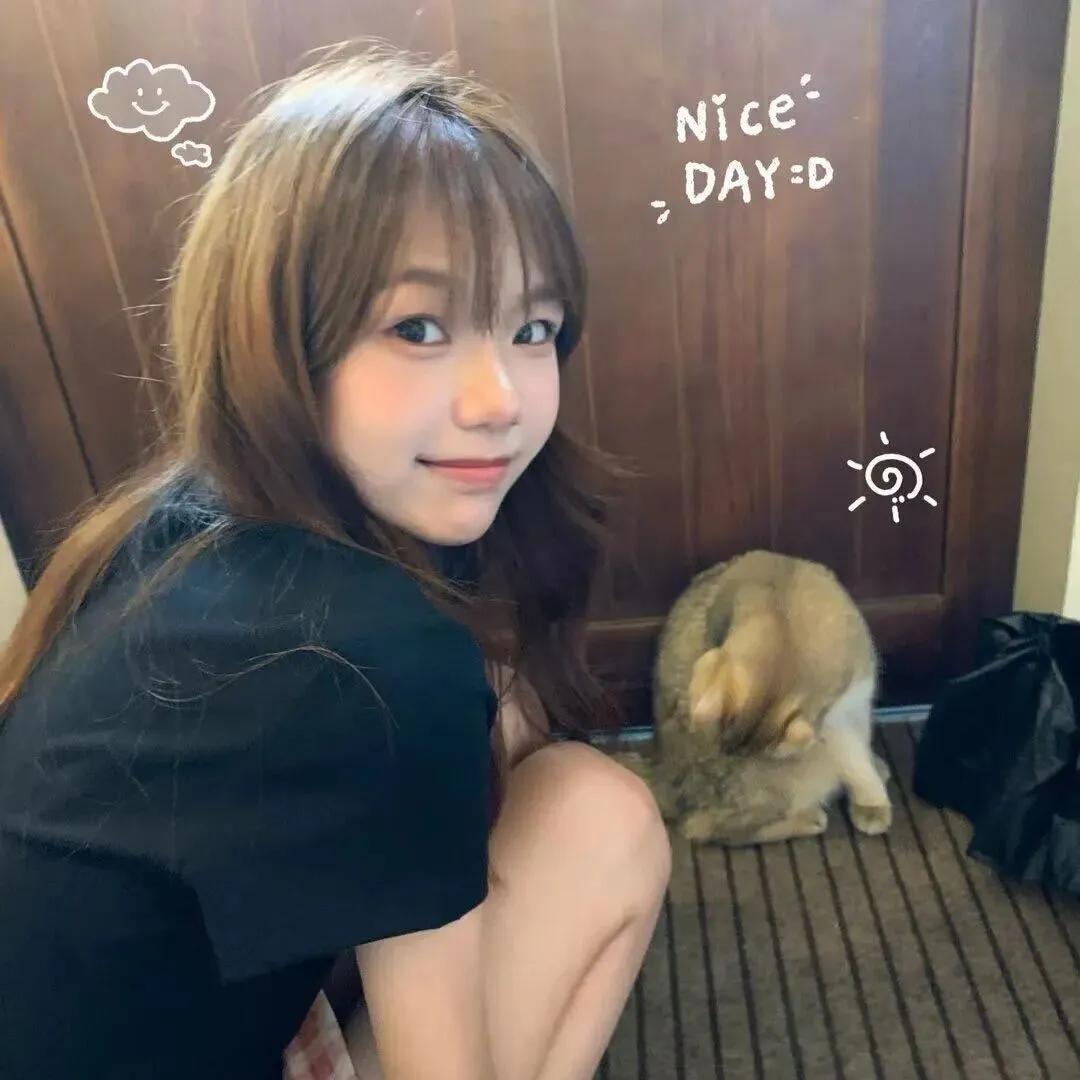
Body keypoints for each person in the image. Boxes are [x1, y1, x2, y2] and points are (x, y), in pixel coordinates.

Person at [0, 43, 672, 1080]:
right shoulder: (365, 654)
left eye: (533, 327)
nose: (500, 399)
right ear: (271, 337)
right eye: (418, 325)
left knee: (550, 770)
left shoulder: (182, 522)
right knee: (604, 819)